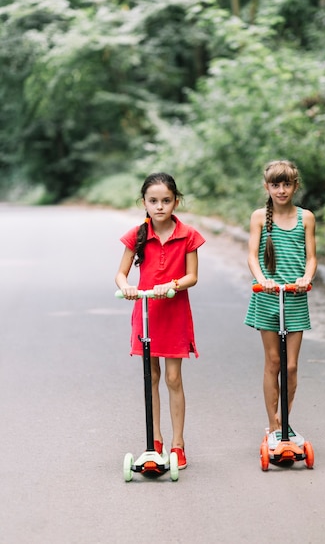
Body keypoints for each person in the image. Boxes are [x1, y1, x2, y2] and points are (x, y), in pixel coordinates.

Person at [115, 172, 205, 469]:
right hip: (146, 312)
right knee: (150, 376)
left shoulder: (187, 234)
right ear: (144, 202)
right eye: (153, 201)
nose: (160, 207)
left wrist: (173, 285)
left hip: (174, 312)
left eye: (166, 201)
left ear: (175, 201)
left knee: (173, 378)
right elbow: (120, 273)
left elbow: (192, 276)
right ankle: (155, 440)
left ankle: (178, 445)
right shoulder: (137, 234)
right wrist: (127, 287)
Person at [244, 160, 317, 449]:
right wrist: (263, 279)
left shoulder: (306, 217)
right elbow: (252, 255)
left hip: (296, 297)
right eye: (276, 184)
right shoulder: (259, 217)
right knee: (273, 362)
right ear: (267, 187)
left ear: (295, 186)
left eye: (287, 184)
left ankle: (283, 420)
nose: (282, 190)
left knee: (291, 367)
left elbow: (311, 257)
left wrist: (306, 278)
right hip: (267, 295)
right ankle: (273, 426)